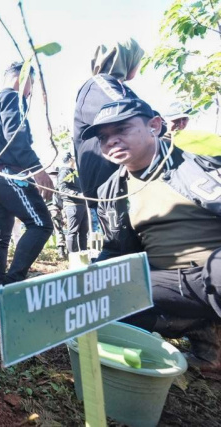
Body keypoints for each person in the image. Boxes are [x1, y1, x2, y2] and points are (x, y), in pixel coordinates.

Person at [86, 98, 221, 371]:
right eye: (104, 137)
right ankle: (200, 330)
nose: (111, 141)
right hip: (167, 283)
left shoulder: (198, 160)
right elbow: (116, 249)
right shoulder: (112, 190)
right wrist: (90, 280)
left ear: (155, 126)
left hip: (215, 269)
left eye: (122, 130)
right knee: (97, 301)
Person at [0, 61, 54, 285]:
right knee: (41, 224)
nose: (30, 92)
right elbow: (16, 136)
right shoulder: (12, 98)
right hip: (7, 174)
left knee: (0, 236)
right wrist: (37, 170)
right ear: (22, 79)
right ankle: (13, 283)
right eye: (31, 84)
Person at [73, 38, 145, 207]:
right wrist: (162, 126)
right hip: (110, 184)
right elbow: (126, 111)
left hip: (117, 181)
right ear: (127, 59)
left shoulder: (119, 88)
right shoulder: (99, 83)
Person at [57, 152, 88, 253]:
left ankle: (83, 253)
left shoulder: (74, 172)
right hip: (72, 205)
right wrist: (77, 194)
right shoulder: (64, 172)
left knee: (83, 231)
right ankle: (73, 255)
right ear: (70, 159)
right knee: (73, 231)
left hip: (82, 205)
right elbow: (62, 188)